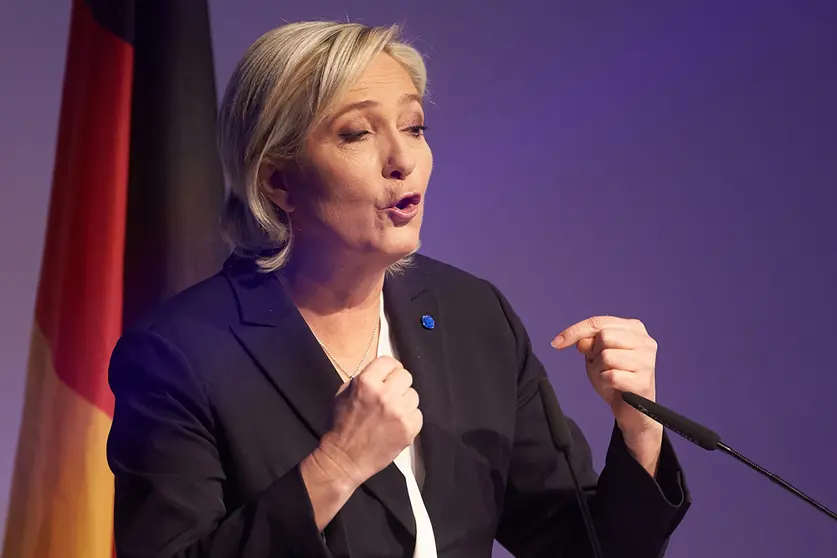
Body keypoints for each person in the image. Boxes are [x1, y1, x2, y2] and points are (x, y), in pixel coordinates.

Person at [106, 21, 690, 558]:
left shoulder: (472, 316)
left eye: (414, 127)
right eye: (357, 133)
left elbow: (583, 547)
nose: (403, 158)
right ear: (278, 180)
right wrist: (336, 465)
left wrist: (639, 427)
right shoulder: (178, 356)